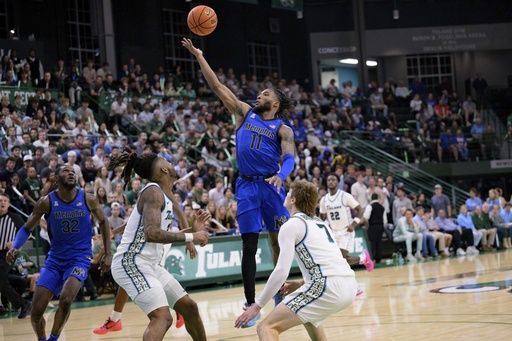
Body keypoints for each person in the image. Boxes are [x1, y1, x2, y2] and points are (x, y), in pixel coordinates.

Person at [183, 38, 296, 320]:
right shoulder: (244, 112)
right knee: (249, 243)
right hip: (246, 186)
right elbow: (218, 87)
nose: (259, 96)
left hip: (271, 186)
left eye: (265, 94)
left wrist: (281, 176)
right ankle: (250, 303)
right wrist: (199, 56)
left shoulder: (283, 128)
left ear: (276, 102)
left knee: (279, 242)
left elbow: (290, 158)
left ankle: (281, 290)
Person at [235, 180, 357, 339]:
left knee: (266, 327)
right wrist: (302, 283)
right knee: (310, 318)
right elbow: (331, 262)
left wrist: (257, 306)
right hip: (350, 285)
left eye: (288, 193)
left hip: (327, 287)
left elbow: (281, 271)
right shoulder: (321, 223)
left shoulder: (291, 225)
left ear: (293, 200)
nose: (285, 195)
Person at [109, 148, 210, 341]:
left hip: (150, 265)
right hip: (131, 262)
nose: (171, 163)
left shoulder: (163, 196)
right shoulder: (153, 192)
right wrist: (191, 238)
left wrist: (191, 230)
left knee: (189, 307)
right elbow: (151, 234)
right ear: (163, 170)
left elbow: (160, 233)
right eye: (167, 161)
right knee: (162, 317)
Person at [6, 165, 112, 341]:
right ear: (56, 178)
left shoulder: (88, 199)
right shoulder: (46, 202)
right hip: (55, 260)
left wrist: (108, 253)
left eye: (73, 171)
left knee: (65, 299)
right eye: (66, 171)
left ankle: (54, 338)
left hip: (79, 259)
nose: (71, 173)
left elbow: (104, 222)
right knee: (36, 312)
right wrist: (15, 247)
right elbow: (27, 228)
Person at [320, 173, 374, 271]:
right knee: (338, 260)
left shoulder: (344, 195)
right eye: (329, 180)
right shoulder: (324, 200)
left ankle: (363, 259)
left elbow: (360, 209)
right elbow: (322, 217)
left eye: (333, 180)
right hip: (333, 233)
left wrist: (353, 224)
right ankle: (363, 258)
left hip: (346, 231)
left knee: (342, 258)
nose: (331, 182)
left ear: (338, 182)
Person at [0, 194, 32, 319]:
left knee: (0, 279)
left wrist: (15, 243)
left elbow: (28, 234)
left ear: (8, 204)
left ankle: (22, 303)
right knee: (2, 282)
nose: (2, 202)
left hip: (8, 254)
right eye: (0, 200)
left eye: (5, 200)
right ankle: (23, 303)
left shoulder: (15, 217)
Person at [363, 193, 386, 264]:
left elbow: (366, 216)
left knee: (372, 243)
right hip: (381, 226)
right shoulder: (382, 207)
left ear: (371, 198)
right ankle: (378, 258)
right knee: (379, 242)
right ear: (377, 198)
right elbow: (385, 220)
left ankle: (371, 258)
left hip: (373, 226)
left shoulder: (370, 206)